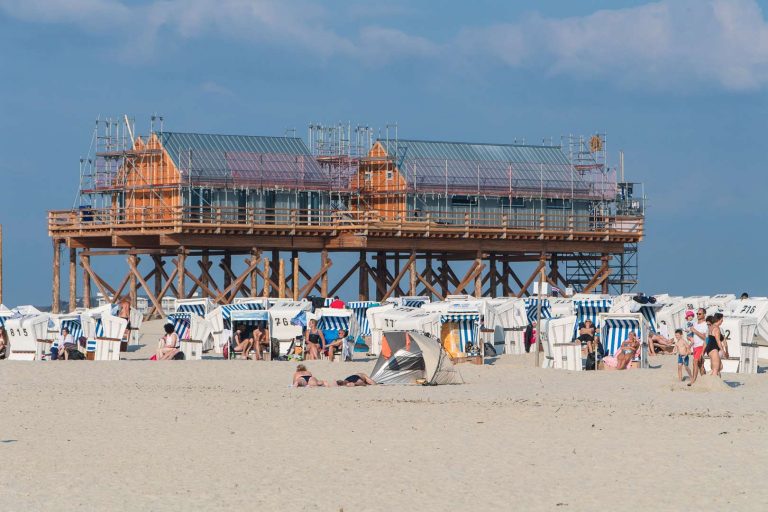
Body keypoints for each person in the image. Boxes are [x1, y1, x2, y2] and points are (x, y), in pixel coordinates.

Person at [689, 308, 708, 385]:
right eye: (697, 314)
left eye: (700, 314)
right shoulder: (695, 323)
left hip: (701, 346)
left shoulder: (705, 325)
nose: (698, 315)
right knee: (701, 365)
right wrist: (690, 338)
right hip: (695, 346)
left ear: (704, 314)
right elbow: (692, 334)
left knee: (695, 362)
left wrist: (695, 331)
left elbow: (705, 338)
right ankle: (706, 379)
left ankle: (693, 381)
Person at [705, 313, 725, 378]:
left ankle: (713, 382)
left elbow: (707, 339)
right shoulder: (716, 328)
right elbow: (718, 341)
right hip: (713, 348)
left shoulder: (711, 327)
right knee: (715, 370)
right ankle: (712, 385)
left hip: (710, 348)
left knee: (719, 367)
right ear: (718, 320)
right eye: (721, 320)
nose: (722, 321)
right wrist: (722, 350)